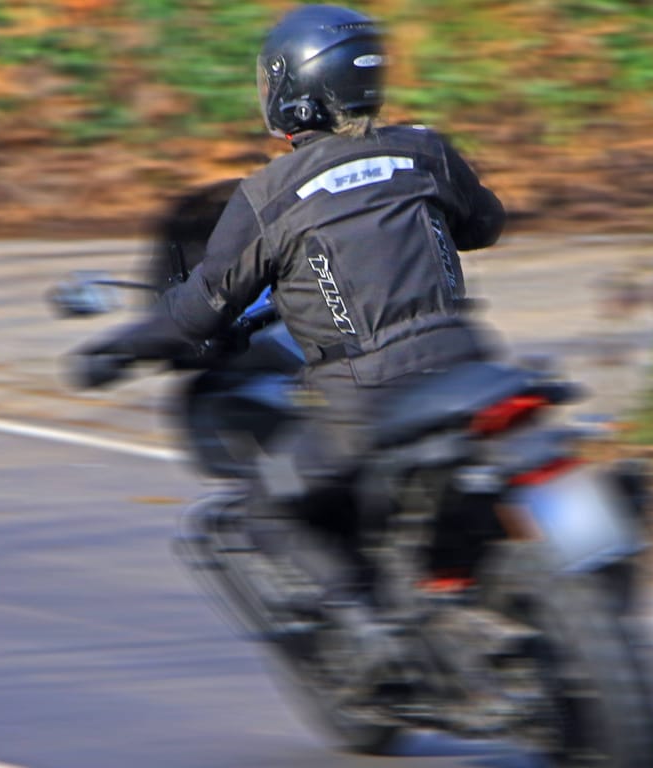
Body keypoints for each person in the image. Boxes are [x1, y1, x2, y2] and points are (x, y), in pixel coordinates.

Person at [76, 4, 506, 564]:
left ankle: (365, 635)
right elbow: (484, 225)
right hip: (469, 364)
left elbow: (195, 311)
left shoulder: (270, 195)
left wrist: (120, 346)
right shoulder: (426, 151)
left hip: (364, 398)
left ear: (296, 87)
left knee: (264, 506)